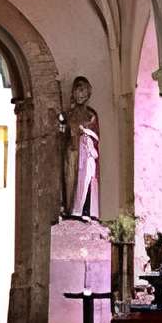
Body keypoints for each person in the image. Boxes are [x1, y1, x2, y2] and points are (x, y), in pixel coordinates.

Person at [62, 77, 100, 218]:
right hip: (71, 152)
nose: (80, 95)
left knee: (84, 181)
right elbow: (62, 134)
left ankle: (84, 209)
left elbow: (96, 137)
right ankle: (69, 208)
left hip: (85, 153)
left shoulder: (91, 115)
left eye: (83, 91)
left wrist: (85, 131)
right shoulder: (68, 114)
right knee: (70, 180)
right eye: (77, 91)